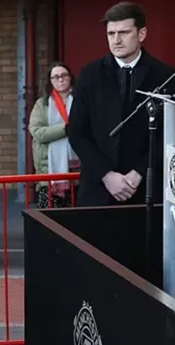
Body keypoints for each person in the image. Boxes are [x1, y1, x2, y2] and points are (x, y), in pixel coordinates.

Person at [68, 1, 175, 207]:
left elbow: (170, 135)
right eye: (111, 33)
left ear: (141, 34)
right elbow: (76, 132)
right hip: (98, 192)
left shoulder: (166, 76)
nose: (116, 40)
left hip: (149, 193)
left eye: (124, 32)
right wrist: (107, 176)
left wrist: (139, 173)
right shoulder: (90, 75)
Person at [29, 62, 79, 208]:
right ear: (50, 81)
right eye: (55, 77)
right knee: (49, 221)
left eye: (64, 75)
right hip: (49, 171)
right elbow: (37, 132)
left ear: (70, 78)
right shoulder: (42, 104)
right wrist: (66, 129)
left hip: (78, 171)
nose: (60, 79)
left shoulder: (81, 101)